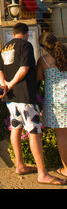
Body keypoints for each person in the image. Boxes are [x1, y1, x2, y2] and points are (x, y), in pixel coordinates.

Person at [0, 22, 66, 185]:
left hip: (10, 98)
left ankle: (19, 165)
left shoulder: (5, 47)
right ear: (26, 33)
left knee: (16, 127)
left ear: (13, 34)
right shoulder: (26, 45)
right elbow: (24, 69)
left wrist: (4, 85)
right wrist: (12, 83)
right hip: (24, 95)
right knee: (34, 131)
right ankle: (42, 173)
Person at [37, 33, 67, 178]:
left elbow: (39, 77)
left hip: (57, 102)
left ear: (43, 47)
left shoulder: (43, 60)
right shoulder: (65, 55)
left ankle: (66, 169)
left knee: (61, 136)